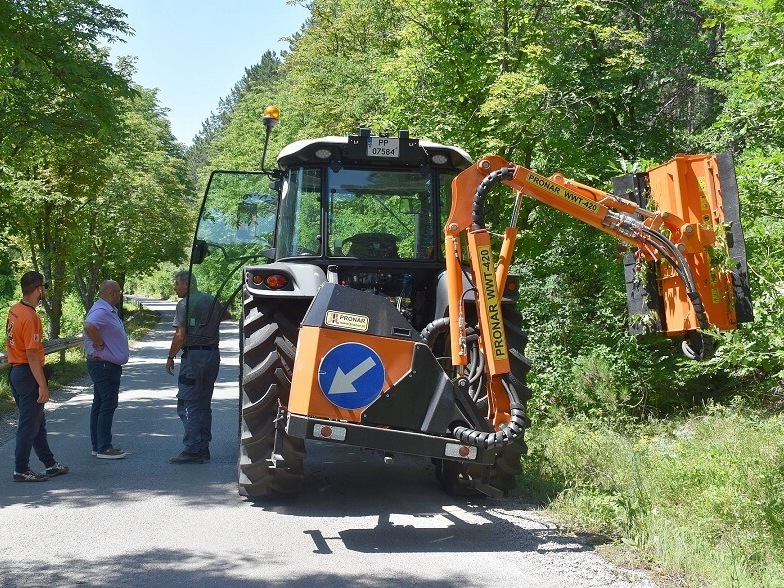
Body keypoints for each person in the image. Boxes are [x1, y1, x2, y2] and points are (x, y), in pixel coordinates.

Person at [5, 271, 69, 482]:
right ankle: (20, 469)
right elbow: (32, 354)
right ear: (39, 289)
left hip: (14, 371)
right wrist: (42, 384)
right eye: (44, 287)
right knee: (28, 424)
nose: (45, 292)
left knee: (37, 422)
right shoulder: (31, 317)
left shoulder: (15, 310)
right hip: (27, 373)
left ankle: (50, 464)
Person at [165, 270, 230, 464]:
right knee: (203, 403)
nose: (175, 287)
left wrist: (170, 357)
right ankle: (203, 447)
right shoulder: (210, 299)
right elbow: (227, 314)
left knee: (188, 402)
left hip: (193, 357)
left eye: (176, 283)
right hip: (212, 355)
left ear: (186, 284)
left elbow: (180, 335)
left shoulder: (184, 304)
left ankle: (192, 448)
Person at [83, 280, 130, 459]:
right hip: (103, 365)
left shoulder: (105, 309)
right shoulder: (102, 311)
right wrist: (99, 342)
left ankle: (97, 445)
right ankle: (104, 446)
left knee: (100, 403)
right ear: (111, 293)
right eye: (118, 292)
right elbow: (88, 326)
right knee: (108, 403)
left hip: (105, 364)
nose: (120, 295)